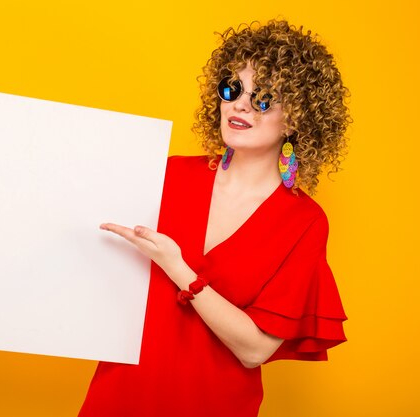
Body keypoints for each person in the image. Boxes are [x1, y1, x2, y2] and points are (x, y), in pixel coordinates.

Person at [77, 18, 351, 417]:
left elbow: (254, 349)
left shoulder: (304, 221)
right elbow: (80, 258)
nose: (239, 104)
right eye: (232, 88)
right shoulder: (166, 175)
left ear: (296, 119)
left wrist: (179, 268)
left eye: (263, 99)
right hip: (119, 398)